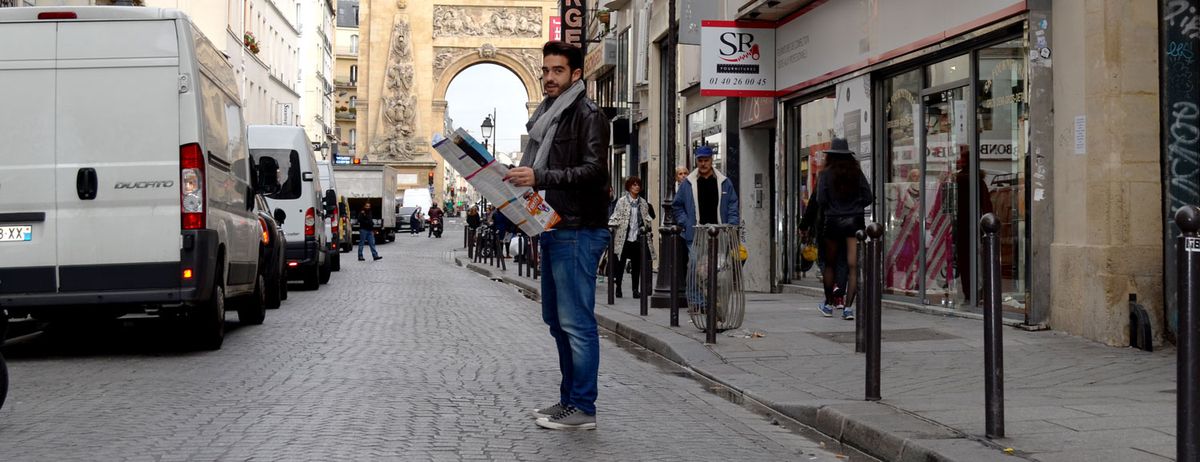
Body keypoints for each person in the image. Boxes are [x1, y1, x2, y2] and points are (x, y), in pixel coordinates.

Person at [503, 40, 609, 431]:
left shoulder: (587, 114)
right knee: (555, 319)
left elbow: (596, 171)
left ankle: (583, 407)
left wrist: (540, 177)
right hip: (552, 225)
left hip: (579, 229)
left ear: (576, 74)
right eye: (545, 70)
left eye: (558, 71)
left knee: (576, 321)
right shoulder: (550, 117)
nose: (548, 77)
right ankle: (569, 401)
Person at [804, 138, 873, 320]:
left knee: (830, 265)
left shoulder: (825, 174)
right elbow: (868, 197)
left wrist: (834, 209)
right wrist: (855, 206)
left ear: (831, 156)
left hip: (833, 222)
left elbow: (820, 200)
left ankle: (828, 304)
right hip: (854, 223)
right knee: (853, 266)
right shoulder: (856, 173)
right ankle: (848, 308)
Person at [672, 145, 740, 247]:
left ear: (711, 160)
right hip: (695, 236)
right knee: (696, 263)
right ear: (696, 161)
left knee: (720, 263)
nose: (703, 164)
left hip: (720, 235)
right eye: (700, 160)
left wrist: (731, 225)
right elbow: (677, 205)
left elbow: (732, 205)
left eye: (706, 160)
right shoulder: (687, 183)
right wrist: (687, 223)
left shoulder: (724, 182)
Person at [608, 176, 656, 298]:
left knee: (636, 265)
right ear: (629, 187)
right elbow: (616, 215)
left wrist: (647, 228)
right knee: (620, 264)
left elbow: (648, 219)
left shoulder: (643, 203)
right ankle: (618, 287)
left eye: (638, 185)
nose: (637, 187)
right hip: (624, 238)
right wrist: (611, 224)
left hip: (637, 238)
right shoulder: (622, 201)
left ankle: (635, 290)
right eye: (634, 185)